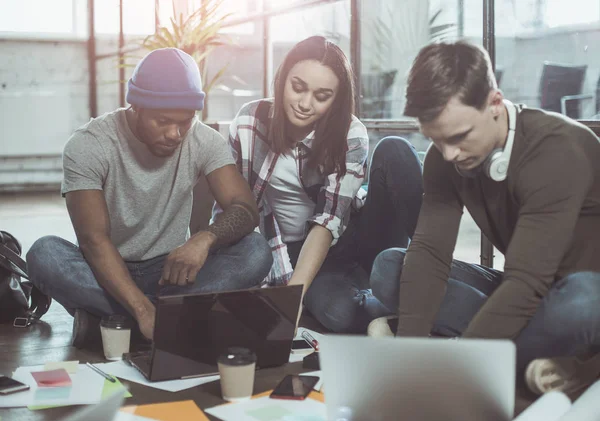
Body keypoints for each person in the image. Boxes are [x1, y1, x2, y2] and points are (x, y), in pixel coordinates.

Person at [368, 40, 600, 397]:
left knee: (585, 301)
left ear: (494, 103)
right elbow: (430, 250)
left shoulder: (557, 150)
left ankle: (579, 366)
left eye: (459, 137)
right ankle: (535, 361)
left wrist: (457, 372)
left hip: (577, 295)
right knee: (390, 268)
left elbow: (526, 282)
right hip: (529, 292)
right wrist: (408, 355)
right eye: (435, 139)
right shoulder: (444, 155)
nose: (448, 154)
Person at [26, 48, 273, 348]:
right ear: (136, 105)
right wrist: (142, 309)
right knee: (44, 254)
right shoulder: (89, 144)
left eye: (185, 121)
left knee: (256, 250)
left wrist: (204, 238)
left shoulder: (203, 139)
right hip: (105, 269)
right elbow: (94, 240)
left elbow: (245, 208)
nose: (175, 133)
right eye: (164, 121)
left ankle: (112, 323)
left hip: (171, 270)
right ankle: (168, 318)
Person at [215, 36, 424, 333]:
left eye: (322, 96)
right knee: (338, 313)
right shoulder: (250, 120)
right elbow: (232, 204)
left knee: (395, 149)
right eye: (297, 87)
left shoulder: (351, 133)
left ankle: (429, 274)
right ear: (282, 78)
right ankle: (385, 306)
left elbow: (328, 223)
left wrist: (292, 297)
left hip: (348, 238)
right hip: (297, 253)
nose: (304, 103)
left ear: (336, 99)